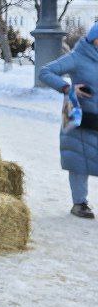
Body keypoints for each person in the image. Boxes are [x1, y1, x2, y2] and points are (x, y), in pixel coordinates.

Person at [40, 21, 98, 219]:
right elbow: (45, 72)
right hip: (82, 119)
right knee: (79, 163)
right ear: (94, 40)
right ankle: (79, 203)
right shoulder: (77, 57)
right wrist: (67, 88)